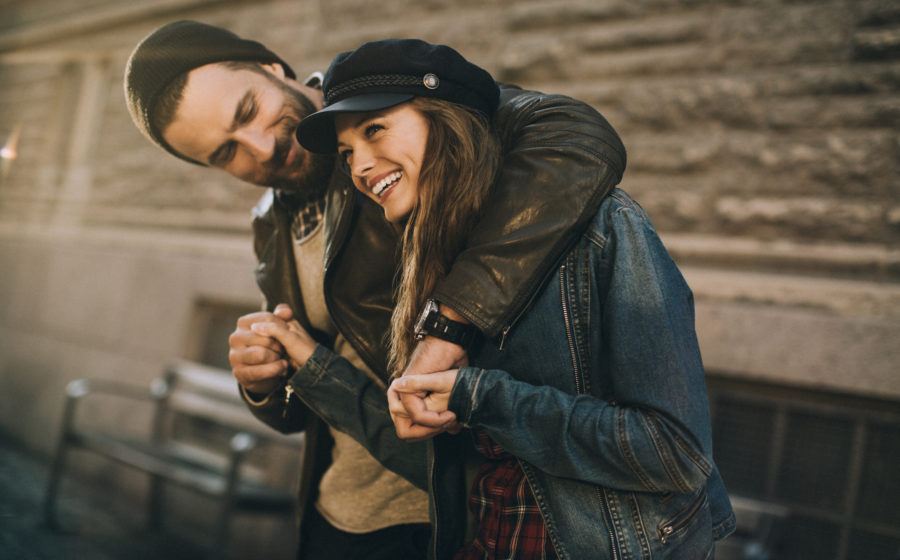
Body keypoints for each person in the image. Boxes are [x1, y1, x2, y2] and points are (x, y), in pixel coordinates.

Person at [124, 21, 626, 560]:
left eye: (248, 111)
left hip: (461, 513)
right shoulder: (270, 221)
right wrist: (265, 382)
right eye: (226, 153)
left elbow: (576, 135)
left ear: (273, 68)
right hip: (338, 516)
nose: (262, 147)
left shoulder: (386, 100)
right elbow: (303, 407)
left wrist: (452, 321)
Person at [257, 38, 735, 559]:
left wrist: (480, 397)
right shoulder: (423, 263)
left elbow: (676, 455)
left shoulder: (602, 229)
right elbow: (439, 460)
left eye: (375, 130)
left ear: (446, 119)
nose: (361, 167)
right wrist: (312, 369)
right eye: (348, 153)